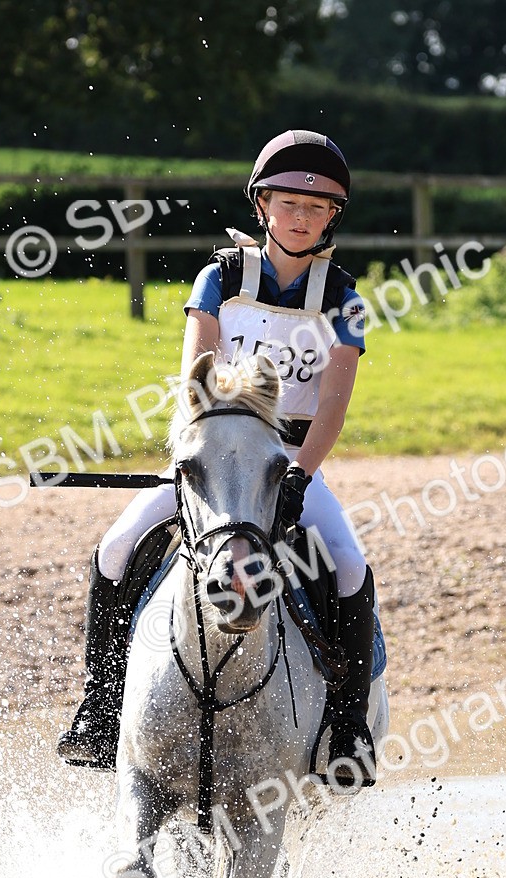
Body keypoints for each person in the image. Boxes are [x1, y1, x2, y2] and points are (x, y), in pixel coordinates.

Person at [57, 129, 377, 784]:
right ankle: (100, 705)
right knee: (116, 550)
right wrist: (200, 458)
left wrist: (298, 476)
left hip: (290, 460)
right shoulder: (220, 278)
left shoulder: (346, 300)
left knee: (347, 566)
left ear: (331, 218)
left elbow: (333, 407)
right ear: (262, 207)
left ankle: (346, 727)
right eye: (288, 204)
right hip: (213, 455)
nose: (300, 218)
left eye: (315, 209)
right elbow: (194, 382)